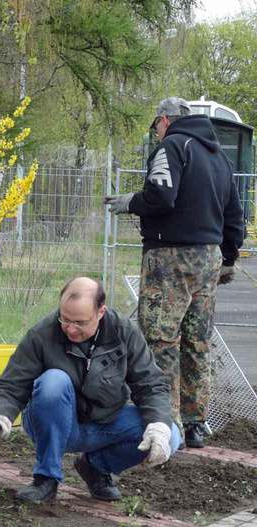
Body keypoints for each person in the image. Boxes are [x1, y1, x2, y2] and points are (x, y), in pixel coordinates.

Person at [104, 97, 245, 448]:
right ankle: (196, 423)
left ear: (165, 120)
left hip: (170, 257)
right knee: (197, 342)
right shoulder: (219, 157)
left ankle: (165, 423)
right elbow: (235, 214)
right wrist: (228, 256)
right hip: (208, 258)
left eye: (155, 126)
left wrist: (129, 203)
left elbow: (161, 196)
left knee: (160, 340)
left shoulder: (172, 146)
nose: (155, 133)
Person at [0, 277, 181, 504]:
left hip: (105, 423)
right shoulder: (43, 334)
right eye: (65, 319)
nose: (70, 330)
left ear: (100, 312)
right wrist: (0, 416)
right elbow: (12, 383)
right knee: (53, 381)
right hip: (54, 424)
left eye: (80, 322)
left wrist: (158, 425)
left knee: (171, 435)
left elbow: (151, 384)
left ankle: (96, 467)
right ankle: (46, 478)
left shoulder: (123, 333)